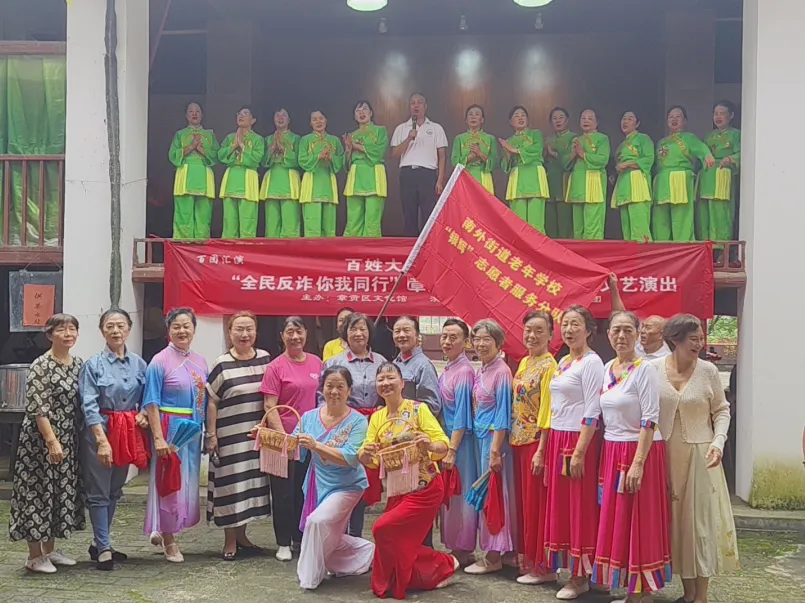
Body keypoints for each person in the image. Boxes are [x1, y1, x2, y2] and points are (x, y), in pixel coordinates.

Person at [588, 311, 671, 602]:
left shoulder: (645, 370)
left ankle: (641, 592)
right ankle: (628, 585)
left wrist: (638, 463)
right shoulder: (607, 368)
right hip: (612, 450)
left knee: (639, 520)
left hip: (640, 450)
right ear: (608, 334)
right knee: (618, 520)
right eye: (616, 330)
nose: (621, 336)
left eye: (628, 330)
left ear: (638, 334)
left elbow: (650, 419)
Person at [654, 314, 737, 603]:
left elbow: (721, 410)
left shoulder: (708, 371)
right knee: (675, 523)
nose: (699, 344)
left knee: (699, 525)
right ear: (674, 340)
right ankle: (688, 592)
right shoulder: (652, 369)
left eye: (701, 338)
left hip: (701, 455)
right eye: (693, 339)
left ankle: (700, 596)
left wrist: (718, 441)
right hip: (663, 455)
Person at [359, 362, 457, 599]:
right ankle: (411, 576)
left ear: (402, 383)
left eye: (390, 378)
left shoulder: (418, 409)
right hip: (397, 489)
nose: (385, 383)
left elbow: (442, 444)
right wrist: (364, 454)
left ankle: (443, 562)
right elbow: (370, 457)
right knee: (396, 540)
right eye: (380, 379)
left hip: (425, 487)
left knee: (381, 528)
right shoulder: (377, 418)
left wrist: (429, 445)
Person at [9, 314, 85, 574]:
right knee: (37, 493)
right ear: (50, 335)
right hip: (40, 441)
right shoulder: (41, 365)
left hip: (68, 437)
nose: (68, 334)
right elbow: (38, 409)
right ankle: (34, 556)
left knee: (57, 493)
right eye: (61, 330)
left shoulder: (77, 364)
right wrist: (52, 441)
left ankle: (50, 551)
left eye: (72, 329)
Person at [543, 305, 606, 600]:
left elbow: (592, 409)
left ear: (589, 330)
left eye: (575, 324)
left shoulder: (592, 363)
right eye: (565, 324)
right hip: (558, 437)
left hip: (577, 440)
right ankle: (573, 569)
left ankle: (581, 575)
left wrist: (580, 452)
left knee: (580, 506)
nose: (569, 330)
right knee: (563, 507)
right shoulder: (564, 361)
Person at [294, 366, 375, 590]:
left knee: (317, 522)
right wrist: (264, 437)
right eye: (330, 386)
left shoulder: (358, 421)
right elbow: (292, 445)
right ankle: (366, 551)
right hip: (318, 482)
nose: (334, 391)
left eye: (340, 386)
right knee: (327, 532)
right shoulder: (309, 417)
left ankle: (309, 577)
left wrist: (316, 446)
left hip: (348, 486)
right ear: (322, 389)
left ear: (349, 390)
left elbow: (350, 458)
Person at [79, 309, 148, 570]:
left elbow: (149, 396)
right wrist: (101, 440)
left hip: (127, 431)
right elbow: (89, 405)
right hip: (102, 430)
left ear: (129, 329)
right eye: (110, 326)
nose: (116, 331)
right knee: (98, 491)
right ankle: (104, 548)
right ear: (102, 331)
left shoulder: (139, 364)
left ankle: (100, 543)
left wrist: (143, 413)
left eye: (121, 325)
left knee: (114, 490)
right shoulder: (93, 365)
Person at [144, 308, 208, 563]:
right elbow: (151, 401)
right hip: (169, 429)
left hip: (192, 430)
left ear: (194, 329)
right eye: (176, 326)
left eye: (186, 326)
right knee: (170, 483)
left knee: (187, 482)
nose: (182, 331)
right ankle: (169, 539)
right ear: (168, 330)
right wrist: (158, 437)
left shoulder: (201, 361)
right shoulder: (159, 361)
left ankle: (166, 527)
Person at [206, 311, 271, 560]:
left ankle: (243, 536)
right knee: (230, 487)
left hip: (255, 438)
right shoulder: (221, 364)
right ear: (229, 332)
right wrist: (212, 435)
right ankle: (230, 540)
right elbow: (212, 401)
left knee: (248, 487)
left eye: (249, 329)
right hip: (229, 437)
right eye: (239, 329)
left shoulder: (265, 359)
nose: (245, 334)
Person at [260, 317, 323, 561]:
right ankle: (283, 542)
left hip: (310, 440)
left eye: (299, 331)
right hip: (283, 441)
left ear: (306, 333)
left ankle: (300, 537)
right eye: (289, 332)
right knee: (283, 492)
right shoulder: (275, 367)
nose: (295, 337)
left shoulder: (317, 363)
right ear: (282, 336)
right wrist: (286, 438)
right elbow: (270, 405)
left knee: (304, 490)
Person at [322, 312, 388, 537]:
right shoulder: (334, 363)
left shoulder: (381, 362)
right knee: (344, 479)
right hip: (343, 426)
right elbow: (322, 398)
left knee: (363, 481)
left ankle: (355, 537)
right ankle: (336, 536)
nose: (358, 333)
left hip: (372, 428)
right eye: (353, 329)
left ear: (370, 333)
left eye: (363, 328)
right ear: (345, 333)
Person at [464, 320, 516, 576]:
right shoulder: (482, 370)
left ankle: (494, 554)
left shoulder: (502, 372)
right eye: (477, 339)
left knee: (494, 496)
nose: (481, 344)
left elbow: (503, 414)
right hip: (480, 437)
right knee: (486, 494)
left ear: (498, 342)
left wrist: (495, 451)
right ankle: (502, 551)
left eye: (486, 339)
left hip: (495, 440)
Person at [510, 311, 558, 584]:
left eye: (539, 330)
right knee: (524, 506)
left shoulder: (550, 366)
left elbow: (548, 411)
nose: (532, 335)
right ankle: (527, 559)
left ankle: (543, 566)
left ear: (551, 335)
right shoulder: (524, 362)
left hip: (536, 443)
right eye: (528, 329)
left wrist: (542, 449)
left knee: (537, 506)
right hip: (518, 441)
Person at [437, 318, 478, 565]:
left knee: (460, 494)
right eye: (444, 336)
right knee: (451, 495)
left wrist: (452, 450)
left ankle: (464, 548)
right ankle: (455, 546)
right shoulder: (450, 368)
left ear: (465, 342)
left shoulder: (464, 371)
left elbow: (462, 414)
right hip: (447, 439)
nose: (447, 341)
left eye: (453, 337)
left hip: (460, 442)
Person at [653, 105, 715, 243]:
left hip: (680, 178)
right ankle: (661, 247)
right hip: (662, 180)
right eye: (671, 117)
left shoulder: (689, 138)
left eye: (678, 116)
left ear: (685, 121)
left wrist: (707, 155)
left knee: (681, 216)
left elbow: (701, 148)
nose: (674, 119)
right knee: (660, 217)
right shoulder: (661, 142)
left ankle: (683, 247)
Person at [391, 93, 449, 236]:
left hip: (428, 175)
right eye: (412, 103)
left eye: (419, 103)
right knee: (409, 213)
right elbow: (395, 154)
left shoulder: (436, 128)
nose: (416, 106)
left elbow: (442, 156)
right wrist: (409, 138)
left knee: (429, 213)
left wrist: (440, 180)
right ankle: (410, 245)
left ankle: (428, 244)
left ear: (425, 106)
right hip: (407, 174)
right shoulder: (401, 128)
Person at [169, 102, 219, 239]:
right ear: (186, 115)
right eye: (191, 111)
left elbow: (217, 155)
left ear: (202, 115)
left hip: (204, 174)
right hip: (185, 174)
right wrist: (191, 147)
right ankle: (183, 243)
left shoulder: (209, 135)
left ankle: (201, 242)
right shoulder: (180, 134)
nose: (194, 114)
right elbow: (172, 155)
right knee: (183, 211)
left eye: (197, 111)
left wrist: (201, 150)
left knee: (204, 212)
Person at [698, 101, 741, 253]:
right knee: (705, 216)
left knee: (722, 215)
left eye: (722, 113)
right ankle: (706, 251)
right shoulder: (708, 136)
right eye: (715, 114)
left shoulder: (737, 134)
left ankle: (723, 252)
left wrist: (731, 159)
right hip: (707, 177)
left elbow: (743, 153)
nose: (718, 117)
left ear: (731, 115)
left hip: (723, 177)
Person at [499, 106, 550, 233]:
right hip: (517, 179)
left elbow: (537, 150)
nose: (520, 118)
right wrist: (508, 154)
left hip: (535, 175)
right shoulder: (509, 141)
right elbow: (505, 166)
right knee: (518, 223)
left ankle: (536, 246)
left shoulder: (536, 134)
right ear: (511, 122)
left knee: (536, 223)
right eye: (516, 116)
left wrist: (515, 150)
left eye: (523, 115)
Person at [218, 106, 266, 239]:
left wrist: (243, 146)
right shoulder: (230, 137)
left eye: (246, 113)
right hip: (231, 177)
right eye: (239, 113)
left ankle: (247, 247)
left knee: (247, 218)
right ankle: (228, 247)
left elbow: (257, 159)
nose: (241, 116)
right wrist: (234, 146)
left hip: (248, 177)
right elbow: (221, 155)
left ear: (253, 120)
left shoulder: (258, 139)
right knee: (229, 219)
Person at [344, 100, 389, 238]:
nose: (361, 113)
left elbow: (379, 151)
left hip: (374, 172)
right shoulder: (351, 135)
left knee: (372, 216)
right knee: (353, 216)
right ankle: (352, 247)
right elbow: (346, 163)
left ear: (371, 113)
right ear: (354, 116)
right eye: (358, 111)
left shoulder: (380, 130)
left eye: (364, 109)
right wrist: (348, 150)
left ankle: (371, 248)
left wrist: (356, 146)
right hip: (356, 173)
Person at [297, 110, 344, 238]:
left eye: (321, 118)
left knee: (329, 228)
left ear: (326, 120)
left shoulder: (334, 140)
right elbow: (301, 160)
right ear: (310, 123)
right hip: (311, 184)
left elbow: (341, 159)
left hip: (329, 183)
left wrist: (331, 157)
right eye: (314, 119)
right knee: (312, 227)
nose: (318, 122)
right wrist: (318, 156)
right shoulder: (305, 140)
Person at [566, 109, 611, 240]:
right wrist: (573, 155)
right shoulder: (576, 140)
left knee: (592, 222)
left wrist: (583, 154)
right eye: (583, 118)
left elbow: (603, 160)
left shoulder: (602, 138)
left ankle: (593, 249)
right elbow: (565, 164)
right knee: (578, 225)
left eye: (590, 118)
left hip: (593, 183)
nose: (586, 121)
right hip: (578, 183)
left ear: (597, 122)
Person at [612, 110, 654, 242]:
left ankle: (643, 250)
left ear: (637, 123)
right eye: (624, 118)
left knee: (639, 222)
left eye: (630, 119)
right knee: (626, 226)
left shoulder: (643, 139)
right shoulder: (621, 146)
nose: (625, 121)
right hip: (624, 183)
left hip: (637, 183)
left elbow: (648, 159)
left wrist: (628, 164)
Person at [259, 108, 301, 238]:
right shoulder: (268, 139)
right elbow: (262, 162)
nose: (280, 118)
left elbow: (300, 161)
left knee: (290, 221)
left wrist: (284, 151)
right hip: (272, 179)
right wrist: (271, 151)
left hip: (289, 179)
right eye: (277, 115)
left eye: (284, 115)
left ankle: (290, 248)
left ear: (289, 120)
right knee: (272, 222)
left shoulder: (296, 138)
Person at [608, 274, 671, 360]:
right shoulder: (635, 344)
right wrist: (613, 288)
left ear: (661, 334)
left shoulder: (667, 358)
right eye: (643, 326)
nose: (642, 331)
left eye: (648, 328)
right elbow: (621, 315)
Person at [392, 316, 441, 415]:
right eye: (397, 331)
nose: (401, 335)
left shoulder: (424, 365)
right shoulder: (394, 364)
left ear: (417, 335)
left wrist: (407, 415)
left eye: (406, 330)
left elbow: (433, 406)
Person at [451, 104, 498, 194]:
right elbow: (454, 161)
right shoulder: (459, 138)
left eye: (477, 114)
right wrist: (471, 156)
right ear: (466, 120)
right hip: (465, 177)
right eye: (470, 114)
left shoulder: (490, 139)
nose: (473, 117)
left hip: (484, 177)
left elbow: (494, 163)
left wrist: (480, 154)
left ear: (482, 120)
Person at [544, 107, 576, 239]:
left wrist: (555, 154)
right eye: (554, 118)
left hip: (564, 183)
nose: (558, 121)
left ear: (567, 120)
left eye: (561, 117)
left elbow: (570, 161)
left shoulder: (574, 138)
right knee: (550, 223)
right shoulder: (547, 140)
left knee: (565, 222)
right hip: (549, 183)